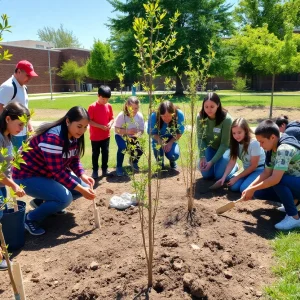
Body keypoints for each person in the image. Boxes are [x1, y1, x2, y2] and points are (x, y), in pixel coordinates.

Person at [12, 106, 96, 235]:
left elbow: (73, 159)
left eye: (85, 127)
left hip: (45, 174)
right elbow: (58, 173)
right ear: (68, 121)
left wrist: (82, 175)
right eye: (79, 126)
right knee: (66, 198)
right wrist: (81, 189)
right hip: (25, 176)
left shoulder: (73, 135)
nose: (82, 130)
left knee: (82, 186)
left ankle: (41, 201)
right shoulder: (54, 138)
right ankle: (30, 219)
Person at [242, 120, 300, 230]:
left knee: (278, 180)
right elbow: (266, 173)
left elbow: (274, 179)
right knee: (258, 192)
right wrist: (250, 188)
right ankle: (292, 204)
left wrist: (252, 189)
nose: (260, 145)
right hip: (295, 182)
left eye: (262, 142)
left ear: (272, 137)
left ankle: (294, 217)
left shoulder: (284, 149)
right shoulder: (272, 146)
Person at [0, 102, 28, 271]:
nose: (21, 128)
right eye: (20, 124)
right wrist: (13, 186)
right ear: (8, 118)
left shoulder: (7, 136)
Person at [215, 118, 265, 192]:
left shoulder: (254, 144)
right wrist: (223, 177)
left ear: (245, 130)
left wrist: (237, 177)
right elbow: (232, 161)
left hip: (258, 170)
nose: (236, 136)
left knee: (243, 188)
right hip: (247, 170)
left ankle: (265, 185)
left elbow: (253, 166)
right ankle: (238, 171)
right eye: (234, 133)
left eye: (239, 132)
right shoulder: (235, 143)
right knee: (233, 187)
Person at [197, 92, 238, 180]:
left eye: (212, 106)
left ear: (218, 105)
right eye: (206, 107)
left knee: (219, 176)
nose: (209, 110)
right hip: (210, 148)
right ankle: (217, 164)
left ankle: (234, 166)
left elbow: (224, 144)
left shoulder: (227, 120)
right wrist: (202, 156)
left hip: (226, 149)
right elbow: (200, 138)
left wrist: (211, 162)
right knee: (206, 175)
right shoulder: (200, 117)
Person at [0, 60, 38, 149]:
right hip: (12, 134)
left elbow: (25, 110)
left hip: (22, 131)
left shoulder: (24, 88)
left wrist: (29, 126)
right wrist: (6, 131)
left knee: (22, 159)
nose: (29, 78)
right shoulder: (8, 87)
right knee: (13, 161)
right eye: (27, 75)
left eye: (31, 76)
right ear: (18, 71)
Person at [148, 101, 185, 169]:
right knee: (160, 166)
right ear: (160, 114)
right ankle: (160, 163)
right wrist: (161, 141)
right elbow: (152, 133)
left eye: (169, 116)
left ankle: (172, 160)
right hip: (158, 139)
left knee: (173, 155)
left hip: (172, 138)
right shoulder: (154, 116)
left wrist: (170, 143)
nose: (166, 118)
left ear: (173, 114)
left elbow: (179, 133)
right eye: (163, 116)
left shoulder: (179, 114)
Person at [88, 85, 114, 179]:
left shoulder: (109, 106)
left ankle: (104, 169)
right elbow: (89, 121)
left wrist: (110, 124)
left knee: (105, 153)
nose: (105, 101)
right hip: (95, 136)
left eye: (107, 99)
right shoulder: (92, 107)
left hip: (106, 135)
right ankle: (95, 170)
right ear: (98, 95)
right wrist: (100, 126)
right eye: (103, 99)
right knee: (95, 154)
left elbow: (112, 118)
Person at [114, 96, 144, 176]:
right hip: (120, 135)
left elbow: (142, 130)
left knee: (140, 149)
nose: (134, 111)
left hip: (133, 136)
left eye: (136, 108)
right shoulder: (122, 115)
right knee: (123, 148)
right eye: (132, 108)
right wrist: (127, 131)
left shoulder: (139, 116)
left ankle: (133, 162)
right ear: (127, 106)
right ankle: (119, 167)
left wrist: (137, 134)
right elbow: (116, 129)